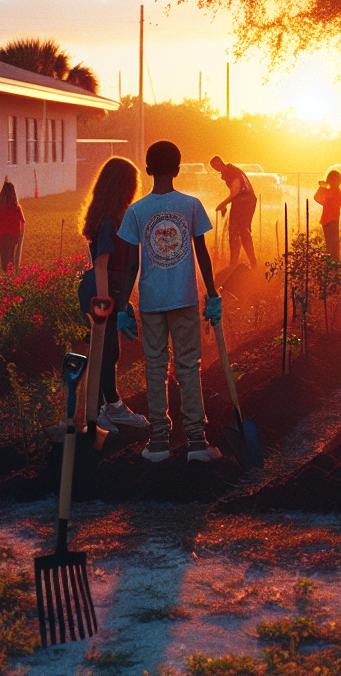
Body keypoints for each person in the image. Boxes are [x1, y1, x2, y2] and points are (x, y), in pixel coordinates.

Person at [121, 141, 223, 463]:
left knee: (155, 367)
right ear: (178, 169)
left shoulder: (136, 211)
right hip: (185, 299)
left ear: (148, 170)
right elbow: (201, 253)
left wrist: (124, 303)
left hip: (151, 301)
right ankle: (196, 442)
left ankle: (159, 443)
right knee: (188, 366)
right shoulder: (191, 205)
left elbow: (132, 264)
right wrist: (213, 292)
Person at [81, 157, 149, 433]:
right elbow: (101, 265)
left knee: (108, 352)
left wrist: (123, 302)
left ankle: (103, 409)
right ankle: (107, 410)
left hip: (108, 292)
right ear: (123, 186)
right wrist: (104, 303)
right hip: (100, 291)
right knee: (105, 352)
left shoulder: (110, 217)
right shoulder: (109, 222)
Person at [210, 155, 258, 268]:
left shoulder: (231, 172)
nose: (214, 169)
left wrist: (223, 204)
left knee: (237, 232)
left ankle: (235, 264)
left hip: (244, 201)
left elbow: (235, 191)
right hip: (246, 200)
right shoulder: (231, 170)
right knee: (241, 231)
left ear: (218, 163)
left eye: (214, 166)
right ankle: (248, 263)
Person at [0, 180, 25, 272]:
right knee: (11, 255)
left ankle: (4, 273)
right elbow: (23, 220)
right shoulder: (16, 207)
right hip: (13, 234)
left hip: (1, 234)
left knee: (3, 255)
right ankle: (10, 273)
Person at [314, 170, 341, 259]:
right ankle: (334, 262)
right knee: (332, 244)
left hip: (330, 219)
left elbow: (318, 198)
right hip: (331, 219)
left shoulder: (333, 189)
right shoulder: (335, 189)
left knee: (331, 244)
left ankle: (333, 262)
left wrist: (322, 187)